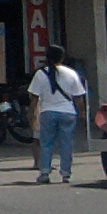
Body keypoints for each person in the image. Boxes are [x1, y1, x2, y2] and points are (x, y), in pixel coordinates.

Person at [27, 44, 88, 184]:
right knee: (67, 144)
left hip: (47, 112)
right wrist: (83, 112)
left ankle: (44, 173)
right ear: (63, 57)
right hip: (68, 113)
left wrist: (32, 114)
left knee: (46, 144)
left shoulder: (40, 74)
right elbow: (78, 96)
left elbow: (34, 98)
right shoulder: (72, 73)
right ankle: (66, 173)